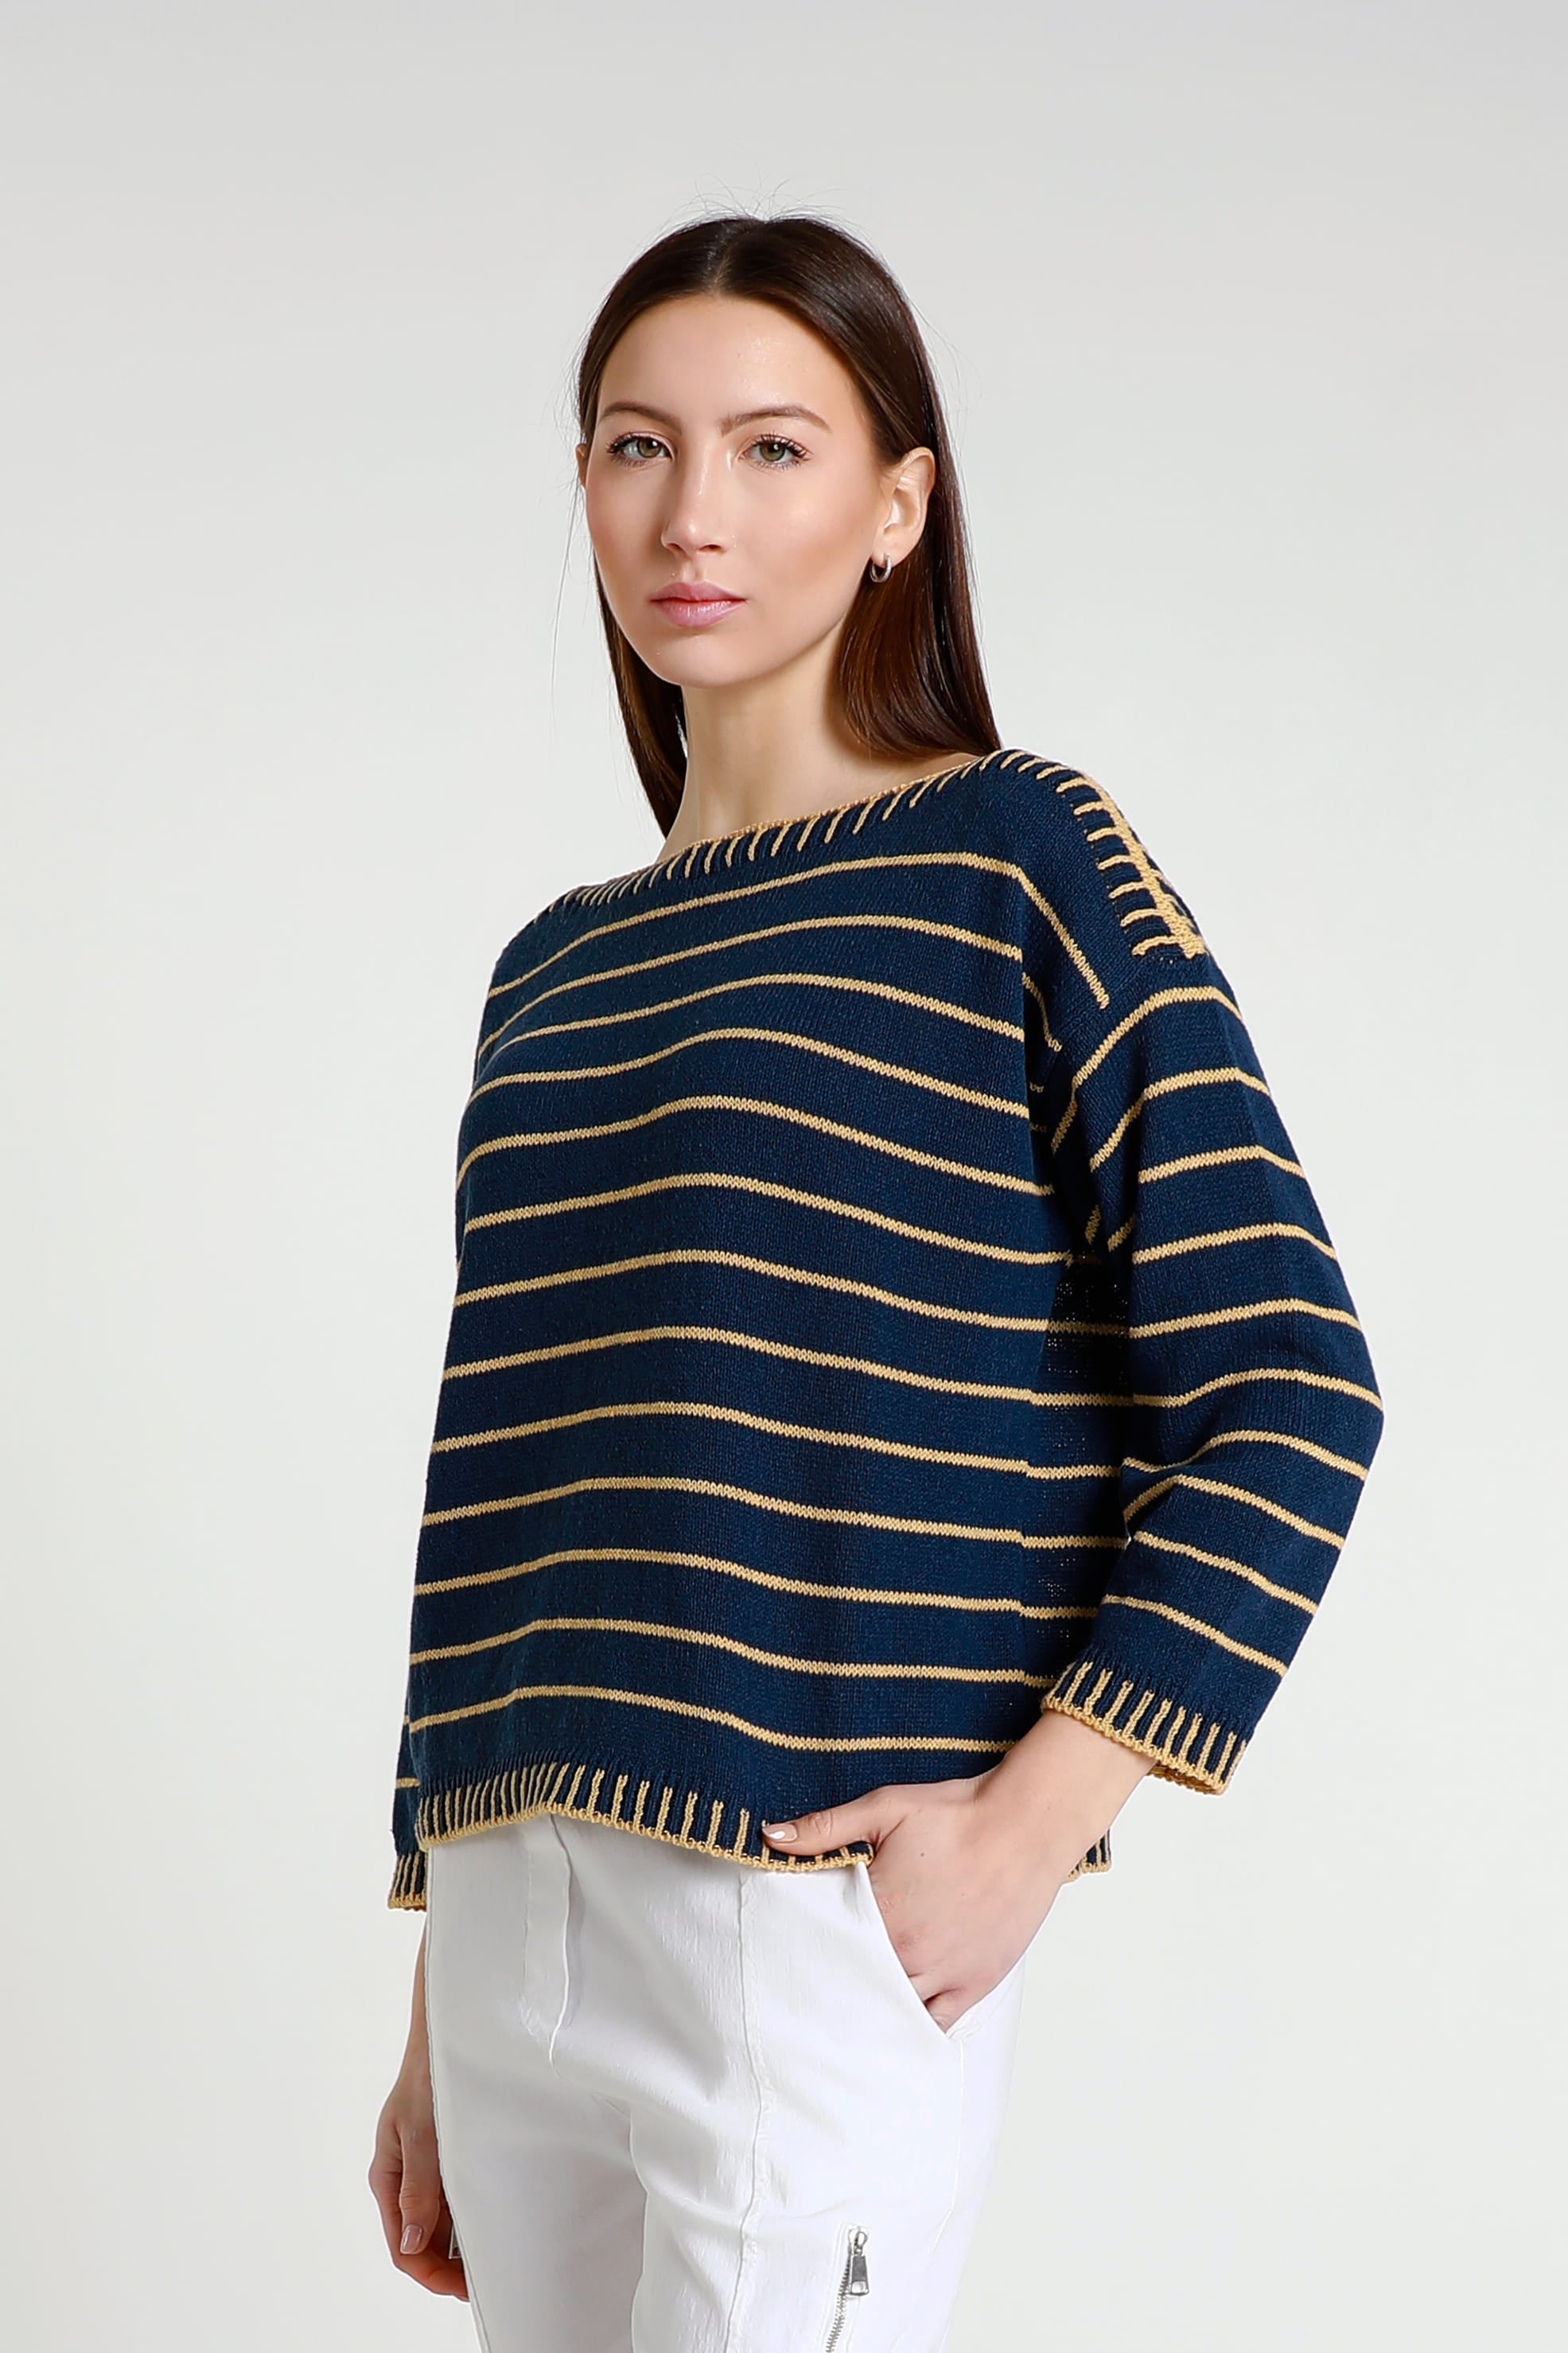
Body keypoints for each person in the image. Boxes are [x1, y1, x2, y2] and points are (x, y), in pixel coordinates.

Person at [367, 212, 1381, 2353]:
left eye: (772, 447)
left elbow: (1288, 1384)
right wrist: (440, 1991)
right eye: (637, 446)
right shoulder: (549, 974)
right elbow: (513, 1493)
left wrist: (1034, 1822)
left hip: (801, 1915)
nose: (693, 514)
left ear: (897, 505)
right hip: (518, 1924)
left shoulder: (1014, 861)